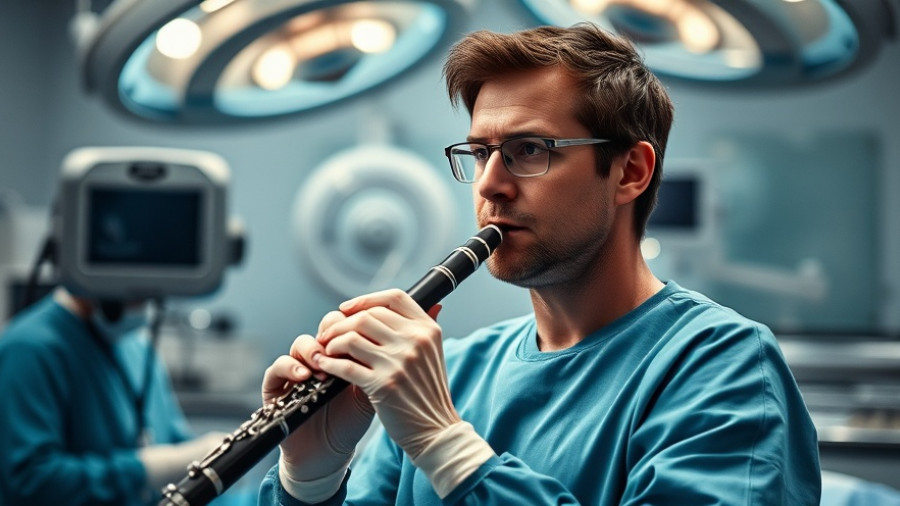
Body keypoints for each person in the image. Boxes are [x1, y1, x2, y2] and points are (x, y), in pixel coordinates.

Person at [257, 23, 821, 505]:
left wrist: (447, 446)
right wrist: (310, 480)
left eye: (529, 150)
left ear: (629, 172)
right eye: (481, 152)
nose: (489, 185)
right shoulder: (451, 371)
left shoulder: (725, 366)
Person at [0, 287, 224, 505]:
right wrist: (147, 469)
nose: (145, 303)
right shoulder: (28, 350)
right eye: (138, 291)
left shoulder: (138, 347)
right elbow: (30, 481)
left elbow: (173, 441)